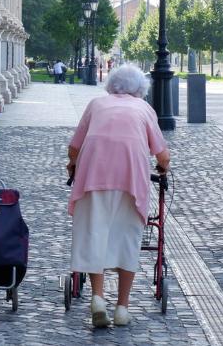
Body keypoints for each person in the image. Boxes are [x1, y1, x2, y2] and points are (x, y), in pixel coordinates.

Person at [66, 65, 170, 328]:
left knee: (95, 233)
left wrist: (73, 165)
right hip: (131, 180)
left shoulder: (96, 104)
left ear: (112, 85)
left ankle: (98, 298)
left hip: (93, 175)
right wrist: (163, 168)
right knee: (126, 238)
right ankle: (122, 308)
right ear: (141, 90)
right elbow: (162, 154)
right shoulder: (144, 109)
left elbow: (74, 147)